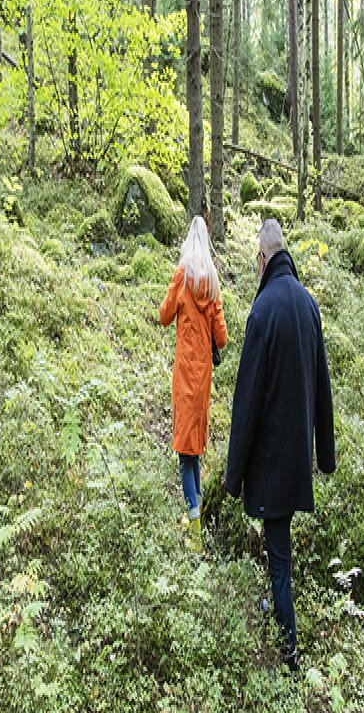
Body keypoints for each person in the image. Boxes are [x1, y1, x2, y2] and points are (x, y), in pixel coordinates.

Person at [223, 218, 335, 673]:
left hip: (270, 462)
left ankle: (289, 652)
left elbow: (246, 401)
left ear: (263, 258)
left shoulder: (262, 310)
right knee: (280, 551)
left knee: (280, 559)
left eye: (255, 260)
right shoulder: (308, 305)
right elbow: (322, 386)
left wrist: (233, 476)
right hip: (297, 461)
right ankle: (280, 616)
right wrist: (324, 457)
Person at [159, 215, 228, 552]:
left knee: (184, 450)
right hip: (203, 378)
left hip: (185, 373)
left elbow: (163, 315)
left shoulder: (183, 275)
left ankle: (195, 525)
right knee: (193, 447)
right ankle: (196, 510)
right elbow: (223, 337)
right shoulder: (213, 283)